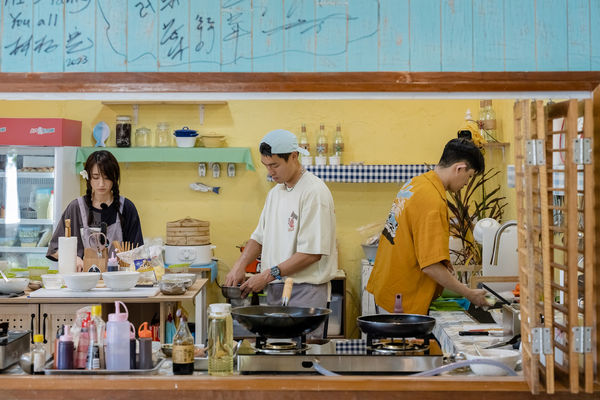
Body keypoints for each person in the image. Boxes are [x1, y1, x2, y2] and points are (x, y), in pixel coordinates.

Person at [224, 129, 337, 337]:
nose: (270, 172)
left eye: (275, 165)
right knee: (277, 355)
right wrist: (239, 265)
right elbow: (259, 237)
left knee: (302, 357)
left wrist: (266, 275)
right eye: (266, 166)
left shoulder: (314, 192)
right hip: (276, 289)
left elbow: (312, 253)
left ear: (294, 156)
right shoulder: (276, 193)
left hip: (306, 293)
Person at [366, 138, 489, 314]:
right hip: (403, 299)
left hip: (389, 287)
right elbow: (430, 266)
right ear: (459, 168)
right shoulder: (432, 201)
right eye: (469, 177)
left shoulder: (417, 183)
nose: (466, 184)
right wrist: (469, 293)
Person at [47, 150, 143, 271]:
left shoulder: (127, 208)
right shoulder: (76, 208)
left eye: (107, 178)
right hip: (82, 282)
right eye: (96, 177)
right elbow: (54, 250)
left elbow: (138, 253)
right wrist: (72, 257)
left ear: (115, 178)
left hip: (118, 282)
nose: (101, 184)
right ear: (88, 178)